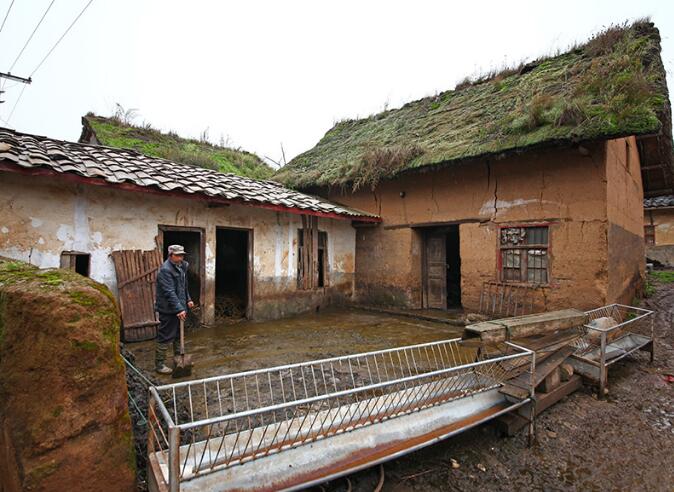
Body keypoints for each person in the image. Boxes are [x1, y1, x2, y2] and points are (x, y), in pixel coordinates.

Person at [155, 244, 195, 374]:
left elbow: (184, 286)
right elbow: (169, 292)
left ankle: (179, 359)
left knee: (178, 334)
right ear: (170, 255)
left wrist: (188, 299)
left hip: (180, 306)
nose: (181, 258)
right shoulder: (165, 270)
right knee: (166, 335)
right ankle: (159, 364)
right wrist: (179, 309)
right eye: (178, 255)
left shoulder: (182, 266)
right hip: (168, 309)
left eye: (182, 255)